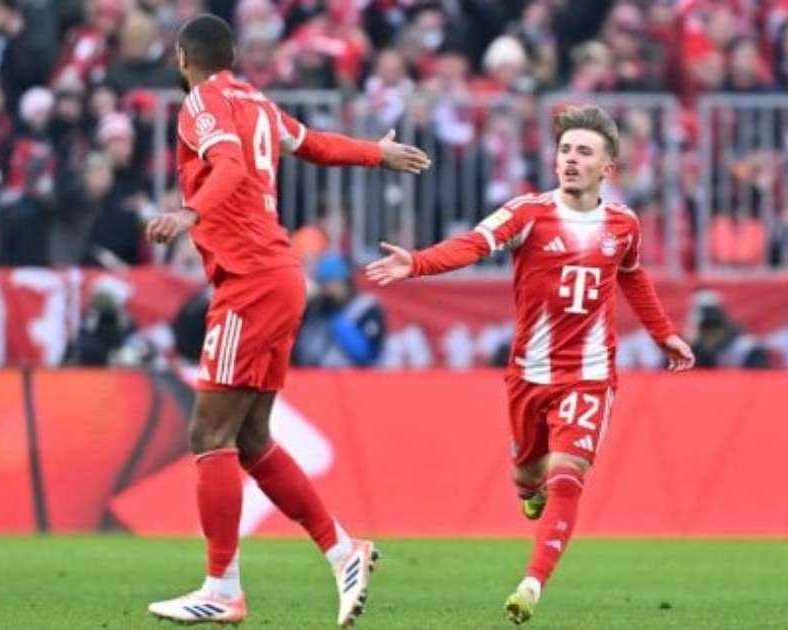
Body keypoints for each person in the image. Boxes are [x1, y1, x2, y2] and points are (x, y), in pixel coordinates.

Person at [144, 14, 430, 627]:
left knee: (209, 435)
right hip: (279, 276)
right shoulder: (257, 103)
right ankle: (343, 551)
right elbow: (315, 144)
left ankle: (222, 588)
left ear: (182, 58)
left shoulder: (200, 104)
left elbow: (228, 166)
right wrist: (376, 153)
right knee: (250, 439)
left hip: (249, 280)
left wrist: (189, 214)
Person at [366, 104, 695, 625]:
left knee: (568, 475)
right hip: (529, 374)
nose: (571, 159)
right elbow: (473, 245)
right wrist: (419, 262)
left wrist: (664, 334)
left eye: (583, 152)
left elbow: (632, 275)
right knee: (528, 476)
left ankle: (531, 584)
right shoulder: (527, 214)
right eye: (565, 150)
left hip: (589, 375)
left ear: (607, 168)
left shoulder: (623, 224)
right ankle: (527, 487)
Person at [293, 253, 387, 367]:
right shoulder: (315, 309)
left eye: (334, 283)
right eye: (324, 284)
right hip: (310, 375)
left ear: (346, 283)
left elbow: (365, 355)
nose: (328, 289)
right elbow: (300, 351)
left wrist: (336, 316)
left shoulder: (365, 308)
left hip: (351, 375)